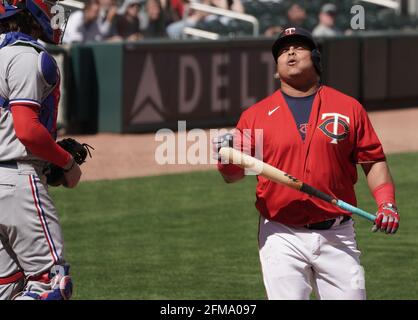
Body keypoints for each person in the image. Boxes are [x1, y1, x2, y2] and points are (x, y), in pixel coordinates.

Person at [213, 27, 399, 300]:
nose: (290, 52)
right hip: (280, 234)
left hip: (338, 234)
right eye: (283, 50)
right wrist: (226, 158)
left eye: (299, 47)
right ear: (276, 69)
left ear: (316, 58)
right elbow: (233, 176)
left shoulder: (348, 107)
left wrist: (387, 203)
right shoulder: (255, 116)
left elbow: (372, 161)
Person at [0, 0, 82, 299]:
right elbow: (28, 131)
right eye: (45, 4)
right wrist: (67, 163)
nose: (52, 10)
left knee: (8, 288)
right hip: (16, 183)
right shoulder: (26, 55)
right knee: (51, 285)